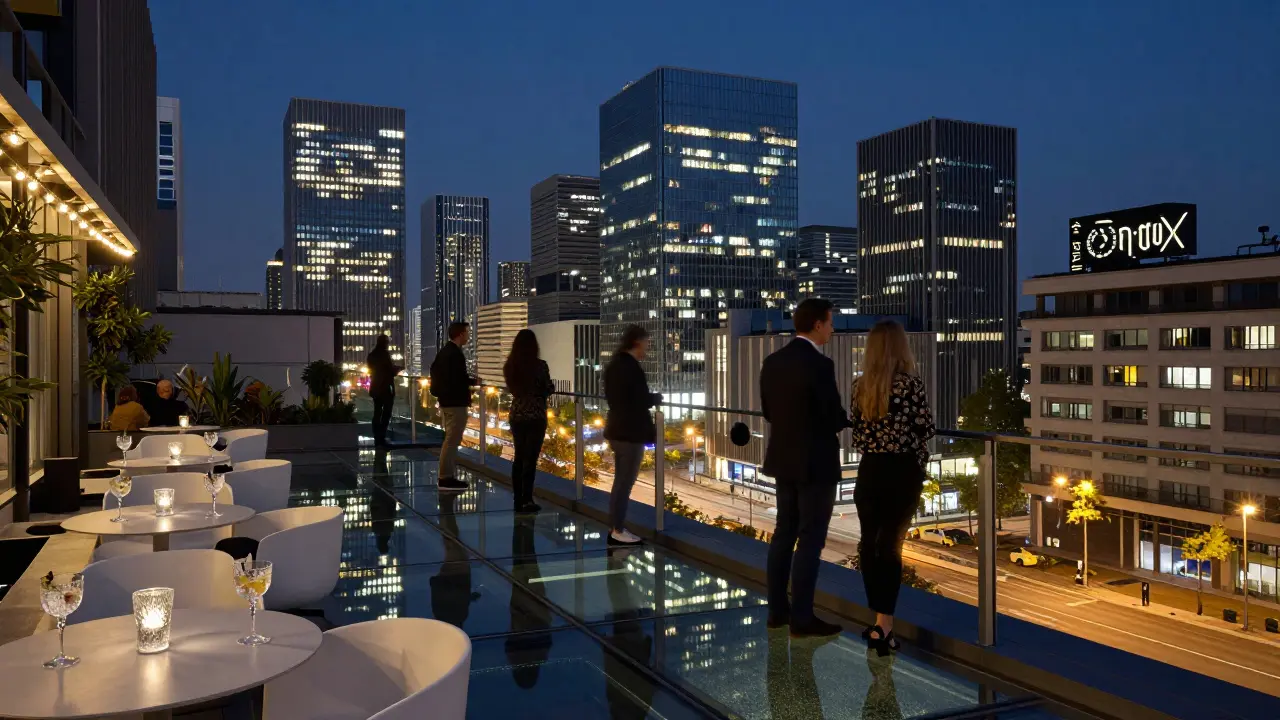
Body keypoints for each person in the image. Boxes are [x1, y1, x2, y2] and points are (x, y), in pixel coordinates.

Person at [760, 297, 849, 638]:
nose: (832, 328)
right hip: (816, 463)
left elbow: (768, 412)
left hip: (783, 460)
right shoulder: (820, 365)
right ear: (817, 325)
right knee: (810, 539)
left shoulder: (773, 361)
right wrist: (846, 419)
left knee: (784, 534)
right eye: (829, 322)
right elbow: (833, 416)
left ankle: (777, 613)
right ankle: (802, 618)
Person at [850, 319, 935, 655]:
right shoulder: (911, 386)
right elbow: (926, 429)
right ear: (901, 348)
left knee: (869, 543)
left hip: (870, 470)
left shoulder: (860, 387)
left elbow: (857, 434)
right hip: (902, 472)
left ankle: (878, 623)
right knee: (890, 546)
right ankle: (884, 625)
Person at [603, 325, 660, 546]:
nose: (647, 347)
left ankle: (616, 527)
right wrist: (656, 398)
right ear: (637, 342)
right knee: (624, 483)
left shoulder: (614, 366)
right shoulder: (631, 368)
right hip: (630, 432)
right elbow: (640, 399)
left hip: (617, 429)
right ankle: (617, 529)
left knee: (620, 482)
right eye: (646, 342)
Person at [503, 329, 555, 514]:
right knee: (530, 459)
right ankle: (528, 499)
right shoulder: (540, 366)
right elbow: (548, 388)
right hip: (535, 416)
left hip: (517, 415)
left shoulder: (510, 366)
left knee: (519, 457)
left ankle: (518, 499)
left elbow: (513, 389)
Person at [430, 321, 478, 491]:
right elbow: (458, 378)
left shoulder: (445, 352)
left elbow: (440, 373)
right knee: (451, 440)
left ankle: (446, 476)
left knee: (450, 439)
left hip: (447, 401)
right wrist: (473, 382)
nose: (468, 335)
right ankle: (445, 478)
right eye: (467, 332)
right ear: (460, 334)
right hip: (455, 402)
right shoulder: (455, 354)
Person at [367, 334, 402, 446]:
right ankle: (381, 437)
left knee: (377, 413)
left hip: (375, 387)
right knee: (386, 414)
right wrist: (399, 369)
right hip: (385, 388)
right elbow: (390, 371)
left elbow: (374, 370)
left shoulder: (372, 355)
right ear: (385, 343)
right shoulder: (385, 354)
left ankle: (377, 437)